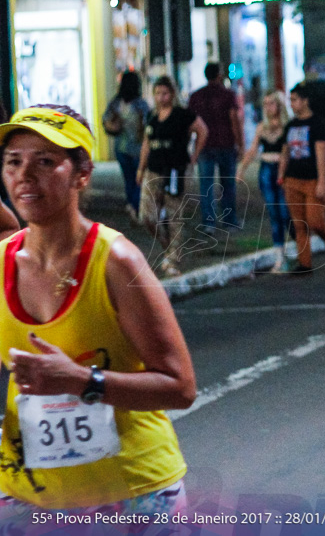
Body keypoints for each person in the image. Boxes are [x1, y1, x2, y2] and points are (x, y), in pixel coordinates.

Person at [0, 104, 195, 520]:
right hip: (27, 497)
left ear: (81, 173)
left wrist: (81, 381)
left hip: (133, 497)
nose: (24, 176)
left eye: (45, 161)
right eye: (13, 162)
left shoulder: (117, 262)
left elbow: (180, 387)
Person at [137, 77, 208, 277]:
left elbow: (202, 130)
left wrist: (193, 157)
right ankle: (167, 244)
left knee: (174, 214)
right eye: (157, 93)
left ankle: (173, 258)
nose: (161, 97)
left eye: (165, 93)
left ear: (172, 94)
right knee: (146, 216)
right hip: (153, 169)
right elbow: (146, 142)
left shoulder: (182, 115)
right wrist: (140, 169)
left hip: (175, 170)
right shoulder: (152, 115)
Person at [278, 82, 325, 274]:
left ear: (305, 101)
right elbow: (285, 152)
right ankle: (305, 264)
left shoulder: (318, 124)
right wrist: (281, 175)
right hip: (292, 179)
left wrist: (323, 181)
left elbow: (321, 154)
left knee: (315, 221)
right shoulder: (290, 125)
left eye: (295, 100)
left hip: (313, 179)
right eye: (290, 100)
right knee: (299, 224)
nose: (291, 104)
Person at [239, 91, 291, 272]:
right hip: (266, 170)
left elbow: (288, 151)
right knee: (274, 213)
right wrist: (241, 169)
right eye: (266, 104)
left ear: (279, 105)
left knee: (286, 212)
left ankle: (297, 245)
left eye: (272, 104)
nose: (269, 108)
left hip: (284, 170)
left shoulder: (287, 126)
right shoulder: (262, 127)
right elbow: (253, 150)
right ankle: (280, 257)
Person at [188, 62, 243, 233]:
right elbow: (234, 120)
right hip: (225, 143)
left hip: (204, 145)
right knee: (228, 184)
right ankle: (229, 220)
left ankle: (209, 222)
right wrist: (240, 143)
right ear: (219, 75)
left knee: (206, 186)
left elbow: (190, 123)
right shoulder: (228, 95)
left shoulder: (196, 96)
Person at [102, 71, 149, 221]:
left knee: (129, 179)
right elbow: (148, 124)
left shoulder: (116, 103)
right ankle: (135, 207)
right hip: (138, 148)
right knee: (139, 180)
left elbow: (105, 119)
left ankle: (131, 205)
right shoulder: (141, 104)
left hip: (121, 148)